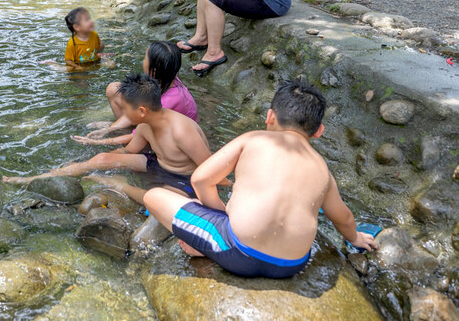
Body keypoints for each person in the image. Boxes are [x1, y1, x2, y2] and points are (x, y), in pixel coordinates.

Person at [142, 80, 377, 279]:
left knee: (153, 195)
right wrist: (355, 237)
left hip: (236, 252)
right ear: (318, 131)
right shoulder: (323, 170)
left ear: (269, 116)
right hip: (291, 265)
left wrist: (220, 215)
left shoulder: (252, 139)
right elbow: (343, 216)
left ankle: (207, 248)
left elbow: (201, 179)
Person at [3, 74, 212, 201]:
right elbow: (129, 152)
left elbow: (212, 168)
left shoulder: (182, 131)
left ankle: (117, 184)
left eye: (126, 109)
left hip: (184, 179)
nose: (123, 114)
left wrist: (228, 191)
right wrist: (92, 160)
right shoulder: (145, 124)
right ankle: (36, 179)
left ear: (141, 110)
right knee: (102, 158)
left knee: (154, 199)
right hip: (157, 164)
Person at [75, 41, 198, 145]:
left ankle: (124, 133)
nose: (143, 60)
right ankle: (123, 129)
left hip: (170, 139)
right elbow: (138, 104)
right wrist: (110, 128)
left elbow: (142, 130)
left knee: (132, 141)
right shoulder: (165, 77)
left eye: (145, 57)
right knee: (114, 89)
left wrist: (105, 140)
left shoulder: (170, 100)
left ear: (153, 70)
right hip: (151, 120)